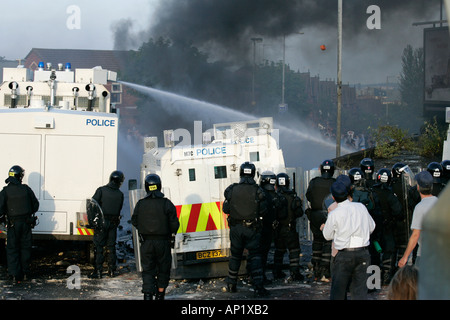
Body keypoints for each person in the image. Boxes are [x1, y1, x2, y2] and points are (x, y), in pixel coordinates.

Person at [322, 181, 376, 300]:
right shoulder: (361, 207)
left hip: (344, 254)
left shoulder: (334, 214)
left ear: (333, 197)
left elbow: (327, 235)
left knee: (338, 292)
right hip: (363, 252)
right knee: (360, 292)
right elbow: (372, 227)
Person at [223, 161, 269, 297]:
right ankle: (258, 287)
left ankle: (231, 284)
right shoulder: (258, 191)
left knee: (235, 256)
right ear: (253, 174)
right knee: (255, 256)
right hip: (252, 228)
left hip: (236, 229)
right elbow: (264, 211)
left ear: (241, 173)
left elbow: (226, 209)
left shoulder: (232, 189)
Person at [131, 173, 179, 300]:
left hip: (146, 243)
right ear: (159, 186)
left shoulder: (140, 204)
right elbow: (174, 224)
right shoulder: (166, 203)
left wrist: (144, 229)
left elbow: (134, 220)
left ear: (147, 187)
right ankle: (160, 293)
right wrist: (170, 232)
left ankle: (147, 295)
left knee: (148, 270)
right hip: (163, 242)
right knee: (163, 268)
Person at [0, 165, 39, 283]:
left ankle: (13, 275)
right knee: (25, 248)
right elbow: (35, 205)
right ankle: (25, 273)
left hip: (13, 225)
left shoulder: (5, 191)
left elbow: (0, 209)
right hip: (26, 224)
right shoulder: (26, 189)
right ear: (20, 176)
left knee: (12, 249)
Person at [398, 171, 438, 269]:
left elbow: (416, 235)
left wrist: (405, 257)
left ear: (418, 187)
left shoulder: (420, 207)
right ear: (431, 187)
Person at [89, 170, 125, 279]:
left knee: (99, 246)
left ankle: (98, 271)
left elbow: (92, 205)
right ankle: (111, 271)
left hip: (101, 222)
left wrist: (93, 220)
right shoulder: (120, 194)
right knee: (111, 247)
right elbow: (119, 209)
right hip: (113, 223)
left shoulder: (101, 190)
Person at [306, 159, 336, 281]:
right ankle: (325, 271)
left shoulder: (314, 182)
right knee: (328, 243)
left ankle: (316, 270)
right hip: (329, 215)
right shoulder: (335, 183)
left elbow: (308, 196)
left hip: (315, 215)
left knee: (317, 242)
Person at [371, 168, 403, 284]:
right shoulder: (390, 195)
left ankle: (373, 278)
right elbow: (398, 211)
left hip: (373, 228)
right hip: (387, 227)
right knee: (389, 250)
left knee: (373, 252)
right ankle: (386, 276)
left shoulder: (371, 191)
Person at [272, 172, 304, 281]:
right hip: (290, 229)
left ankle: (277, 272)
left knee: (279, 251)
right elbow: (299, 213)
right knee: (294, 251)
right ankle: (295, 273)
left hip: (278, 229)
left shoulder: (275, 197)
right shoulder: (293, 197)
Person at [258, 171, 280, 283]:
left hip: (260, 228)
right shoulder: (276, 195)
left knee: (259, 254)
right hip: (269, 228)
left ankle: (258, 276)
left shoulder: (260, 193)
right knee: (264, 254)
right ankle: (261, 276)